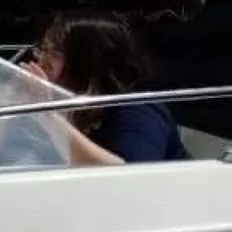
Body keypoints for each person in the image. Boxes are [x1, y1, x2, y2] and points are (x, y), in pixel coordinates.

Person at [20, 10, 190, 166]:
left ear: (86, 63)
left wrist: (48, 117)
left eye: (55, 53)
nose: (41, 61)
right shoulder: (69, 104)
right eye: (43, 49)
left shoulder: (138, 109)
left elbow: (130, 177)